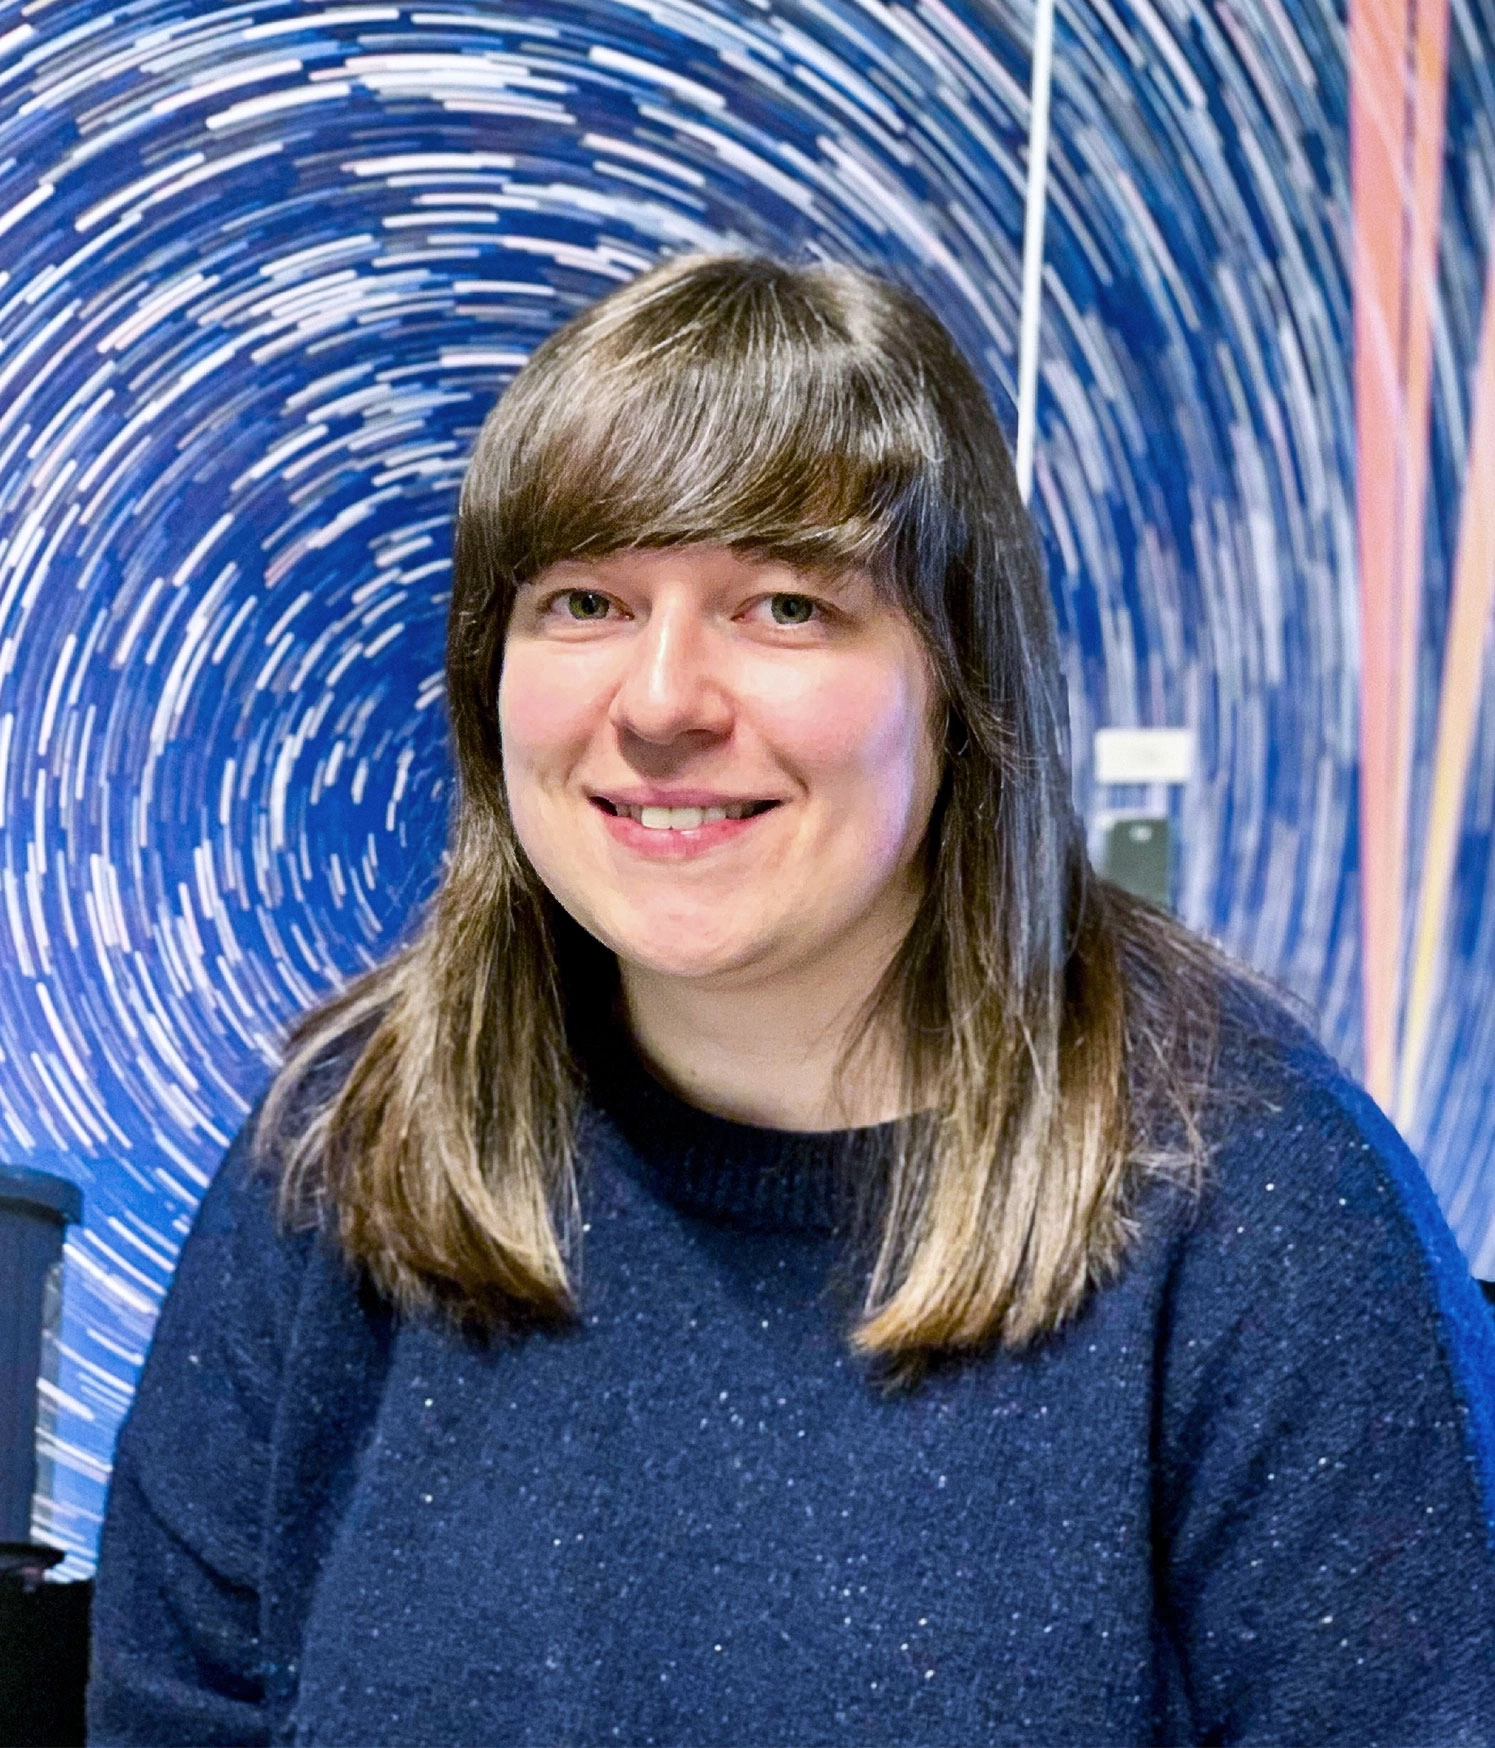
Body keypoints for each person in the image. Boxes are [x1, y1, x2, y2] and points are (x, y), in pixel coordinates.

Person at [88, 253, 1495, 1747]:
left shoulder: (1257, 1200)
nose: (660, 701)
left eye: (781, 604)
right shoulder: (351, 1135)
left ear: (959, 683)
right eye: (585, 601)